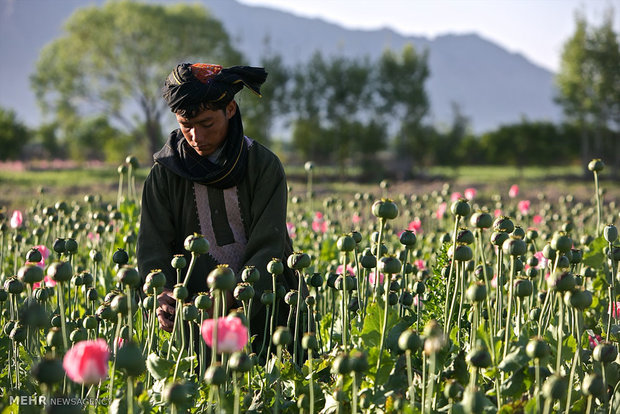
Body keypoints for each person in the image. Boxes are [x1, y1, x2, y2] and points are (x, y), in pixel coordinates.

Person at [136, 63, 301, 351]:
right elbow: (153, 248)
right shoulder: (163, 175)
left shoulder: (263, 166)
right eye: (185, 126)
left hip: (265, 315)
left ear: (231, 110)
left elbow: (268, 247)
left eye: (207, 124)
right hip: (191, 327)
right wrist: (160, 295)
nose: (196, 137)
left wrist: (227, 299)